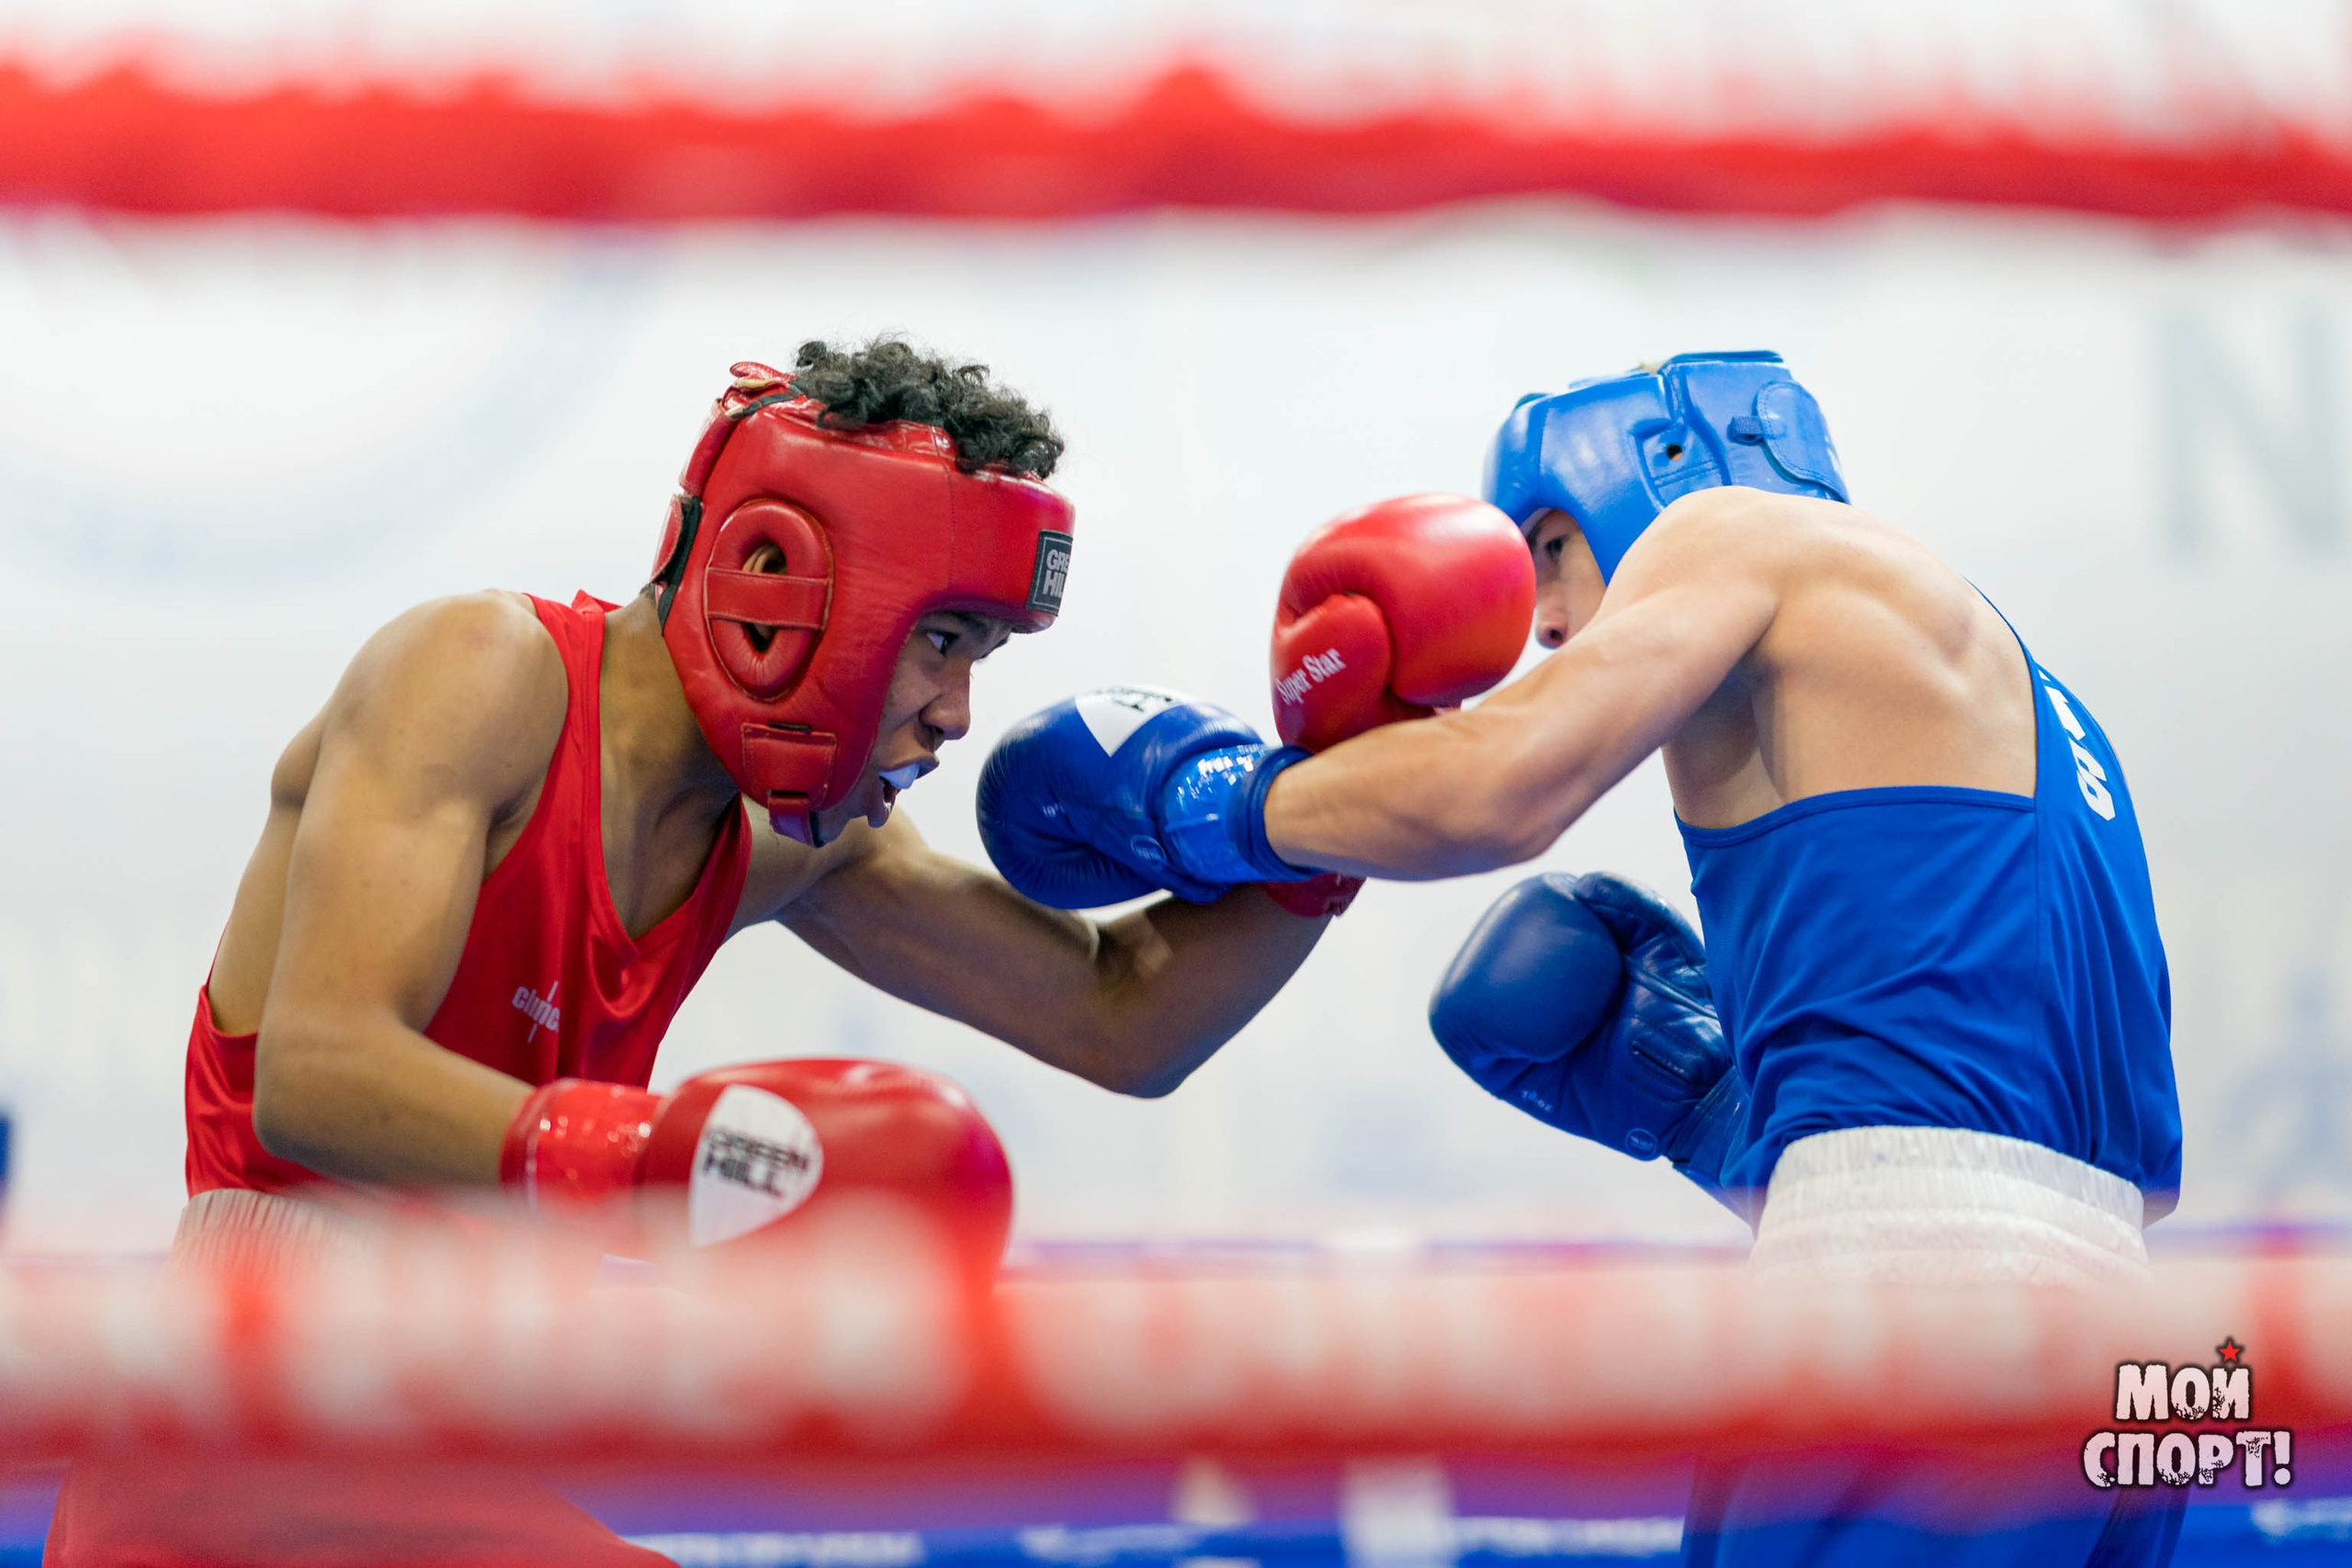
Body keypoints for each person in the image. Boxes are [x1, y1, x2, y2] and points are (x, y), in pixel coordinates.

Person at [43, 340, 1532, 1568]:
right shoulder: (477, 673)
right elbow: (319, 1070)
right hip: (244, 1432)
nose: (955, 716)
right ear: (793, 575)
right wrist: (670, 1168)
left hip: (432, 1444)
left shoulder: (780, 838)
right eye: (945, 640)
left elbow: (1116, 1018)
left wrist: (1322, 810)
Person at [979, 352, 2183, 1565]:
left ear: (1666, 468)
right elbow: (2080, 1181)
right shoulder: (2032, 708)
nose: (1543, 620)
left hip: (1904, 1336)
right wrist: (1727, 1121)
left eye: (1549, 545)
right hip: (2141, 1365)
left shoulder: (1730, 532)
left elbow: (1496, 788)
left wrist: (1216, 804)